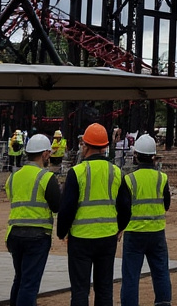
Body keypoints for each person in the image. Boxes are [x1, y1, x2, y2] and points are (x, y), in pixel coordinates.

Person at [57, 123, 132, 306]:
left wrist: (62, 232)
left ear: (86, 145)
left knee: (80, 290)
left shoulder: (77, 172)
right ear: (105, 147)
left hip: (80, 239)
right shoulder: (116, 172)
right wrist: (119, 228)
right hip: (107, 238)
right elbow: (125, 206)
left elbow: (67, 207)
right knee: (104, 289)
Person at [6, 133, 61, 306]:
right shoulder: (46, 177)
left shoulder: (13, 177)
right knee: (30, 284)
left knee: (20, 278)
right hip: (37, 236)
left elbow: (12, 198)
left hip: (14, 234)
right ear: (45, 154)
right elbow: (56, 206)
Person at [121, 133, 172, 306]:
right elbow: (167, 204)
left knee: (130, 276)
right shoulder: (162, 178)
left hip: (134, 233)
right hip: (157, 233)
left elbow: (124, 208)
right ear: (153, 156)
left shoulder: (129, 180)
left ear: (136, 155)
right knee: (161, 272)